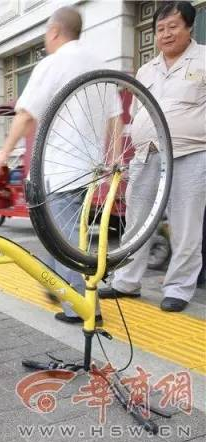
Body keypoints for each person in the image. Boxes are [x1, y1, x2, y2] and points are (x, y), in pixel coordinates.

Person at [0, 6, 114, 324]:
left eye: (47, 33)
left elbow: (26, 114)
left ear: (55, 31)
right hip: (91, 167)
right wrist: (110, 159)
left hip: (60, 168)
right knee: (57, 229)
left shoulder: (54, 63)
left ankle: (82, 308)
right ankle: (53, 282)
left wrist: (4, 153)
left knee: (66, 237)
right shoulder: (100, 63)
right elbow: (114, 118)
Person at [99, 2, 206, 312]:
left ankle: (178, 288)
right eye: (160, 29)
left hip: (190, 153)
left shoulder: (204, 59)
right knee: (137, 222)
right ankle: (126, 282)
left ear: (189, 27)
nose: (166, 34)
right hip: (146, 155)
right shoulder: (146, 69)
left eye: (173, 27)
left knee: (185, 225)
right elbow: (137, 114)